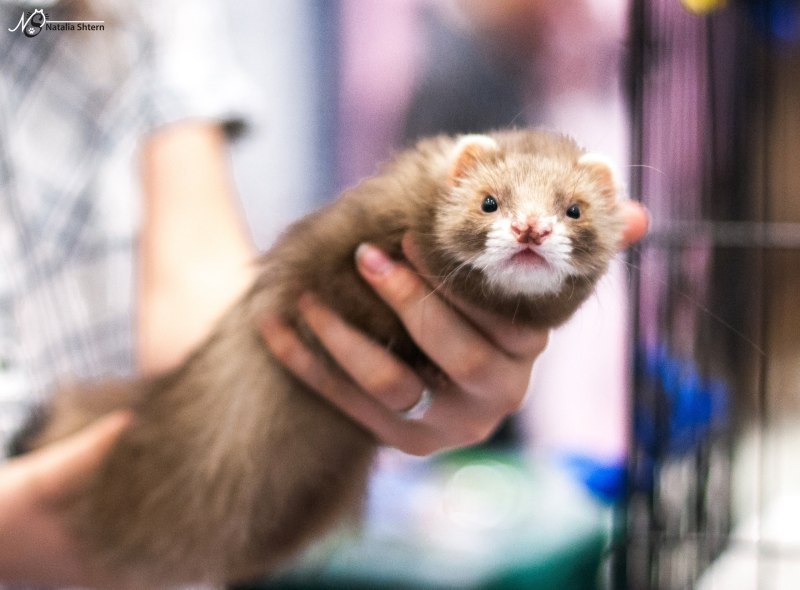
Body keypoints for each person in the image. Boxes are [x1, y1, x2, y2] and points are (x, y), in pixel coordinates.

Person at [0, 1, 649, 587]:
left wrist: (401, 385)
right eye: (490, 203)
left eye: (571, 212)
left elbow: (198, 307)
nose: (534, 226)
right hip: (78, 514)